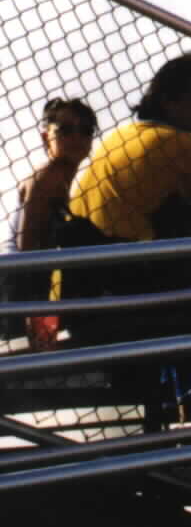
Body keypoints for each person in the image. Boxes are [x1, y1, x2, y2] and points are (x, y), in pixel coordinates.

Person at [62, 52, 191, 310]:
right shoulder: (181, 144)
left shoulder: (120, 137)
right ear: (168, 101)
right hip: (126, 279)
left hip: (83, 277)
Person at [6, 98, 97, 348]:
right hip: (15, 286)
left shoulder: (63, 179)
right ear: (47, 137)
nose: (77, 137)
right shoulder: (47, 179)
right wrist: (35, 314)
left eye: (86, 130)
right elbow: (28, 252)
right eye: (65, 130)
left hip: (27, 284)